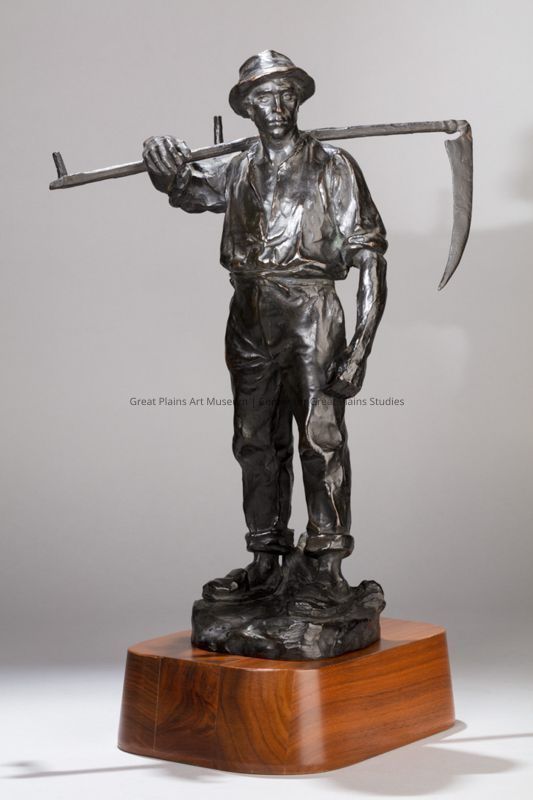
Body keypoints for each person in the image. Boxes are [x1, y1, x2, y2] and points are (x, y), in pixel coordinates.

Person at [142, 50, 387, 607]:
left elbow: (371, 259)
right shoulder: (236, 168)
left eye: (285, 94)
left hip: (310, 310)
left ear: (298, 100)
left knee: (321, 439)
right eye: (262, 96)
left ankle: (326, 563)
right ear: (246, 107)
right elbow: (186, 187)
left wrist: (359, 349)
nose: (276, 105)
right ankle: (265, 557)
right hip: (249, 312)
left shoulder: (333, 165)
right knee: (254, 439)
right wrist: (162, 162)